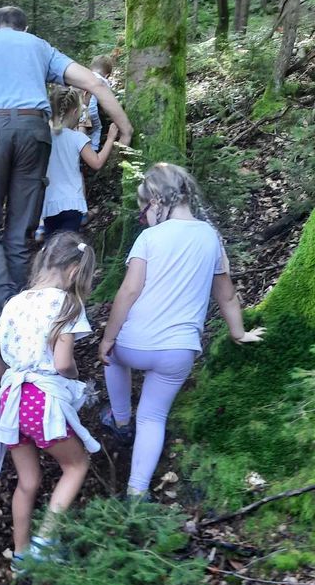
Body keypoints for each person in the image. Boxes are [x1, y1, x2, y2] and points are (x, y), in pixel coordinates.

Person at [0, 5, 132, 322]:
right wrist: (124, 127)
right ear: (25, 30)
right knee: (20, 233)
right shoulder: (39, 46)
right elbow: (95, 83)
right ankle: (20, 314)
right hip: (35, 133)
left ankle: (4, 315)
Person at [98, 163, 265, 499]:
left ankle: (121, 421)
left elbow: (128, 291)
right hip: (179, 351)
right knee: (153, 417)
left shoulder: (149, 238)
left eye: (144, 210)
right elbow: (226, 294)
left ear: (158, 200)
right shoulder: (210, 237)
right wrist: (238, 333)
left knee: (112, 357)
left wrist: (108, 338)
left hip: (134, 343)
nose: (144, 218)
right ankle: (137, 492)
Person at [0, 234, 101, 572]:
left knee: (28, 481)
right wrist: (74, 378)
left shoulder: (15, 302)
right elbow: (62, 364)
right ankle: (45, 543)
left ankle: (20, 555)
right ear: (74, 271)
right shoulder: (68, 305)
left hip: (11, 400)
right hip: (41, 400)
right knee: (76, 466)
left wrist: (13, 378)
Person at [42, 85, 119, 237]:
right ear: (75, 112)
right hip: (72, 203)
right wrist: (110, 139)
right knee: (68, 244)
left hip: (49, 205)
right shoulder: (77, 137)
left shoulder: (44, 137)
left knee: (52, 245)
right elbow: (96, 162)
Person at [85, 54, 114, 152]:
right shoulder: (104, 81)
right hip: (92, 110)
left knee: (85, 128)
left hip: (81, 108)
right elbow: (108, 101)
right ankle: (94, 148)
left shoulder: (86, 77)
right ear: (107, 75)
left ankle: (84, 147)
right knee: (97, 128)